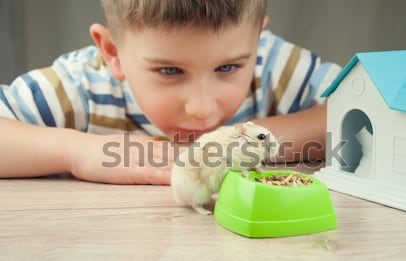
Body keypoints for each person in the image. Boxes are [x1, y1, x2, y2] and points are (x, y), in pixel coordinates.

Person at [0, 0, 340, 185]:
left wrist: (246, 141)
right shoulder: (81, 86)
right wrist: (77, 152)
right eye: (169, 71)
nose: (202, 110)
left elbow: (367, 109)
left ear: (257, 40)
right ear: (112, 52)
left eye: (227, 68)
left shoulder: (274, 64)